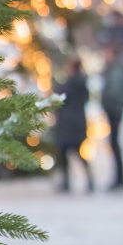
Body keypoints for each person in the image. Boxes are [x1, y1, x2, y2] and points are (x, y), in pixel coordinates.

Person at [54, 56, 93, 193]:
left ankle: (66, 182)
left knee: (65, 154)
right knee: (78, 153)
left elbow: (58, 98)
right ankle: (89, 180)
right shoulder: (83, 83)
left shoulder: (69, 84)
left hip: (67, 124)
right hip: (79, 123)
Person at [100, 47, 123, 191]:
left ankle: (119, 180)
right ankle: (119, 179)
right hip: (114, 112)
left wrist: (108, 107)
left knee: (115, 145)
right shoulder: (113, 70)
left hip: (114, 114)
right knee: (114, 145)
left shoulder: (115, 72)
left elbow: (114, 93)